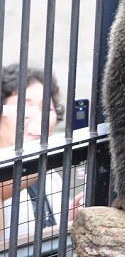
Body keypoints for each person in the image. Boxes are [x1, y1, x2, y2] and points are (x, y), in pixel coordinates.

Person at [0, 64, 83, 241]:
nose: (40, 117)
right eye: (25, 106)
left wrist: (67, 221)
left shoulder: (50, 171)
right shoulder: (43, 163)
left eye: (47, 108)